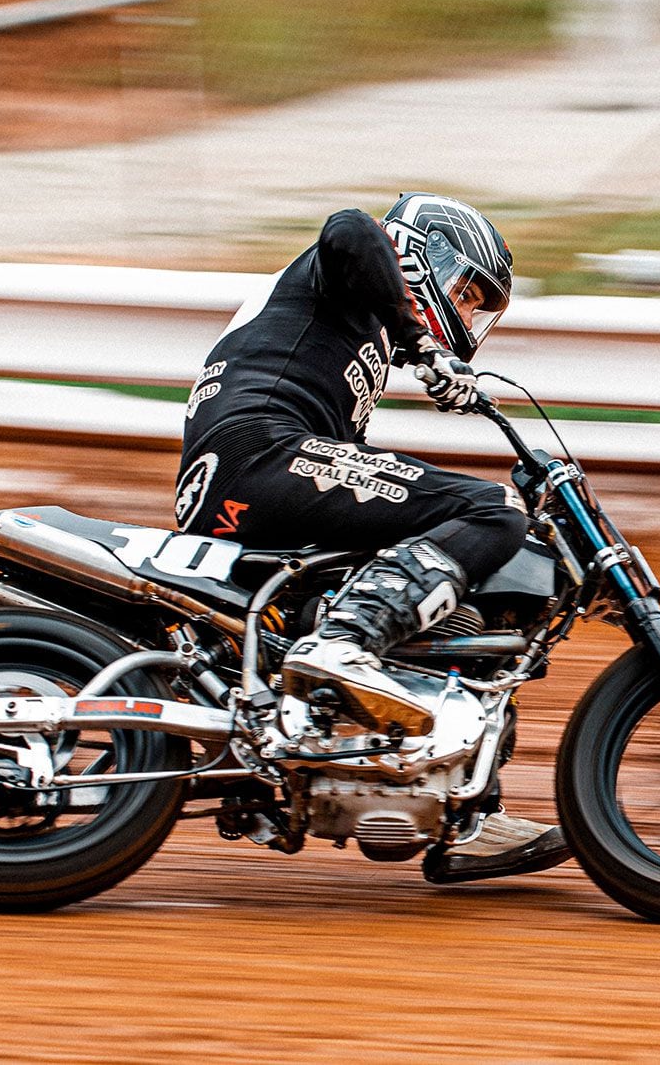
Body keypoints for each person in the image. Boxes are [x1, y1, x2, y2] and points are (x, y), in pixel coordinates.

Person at [174, 192, 567, 884]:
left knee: (454, 581)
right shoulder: (346, 267)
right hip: (259, 451)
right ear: (421, 257)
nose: (467, 316)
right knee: (492, 511)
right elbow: (350, 227)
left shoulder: (348, 327)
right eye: (466, 293)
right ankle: (342, 646)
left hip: (260, 464)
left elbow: (357, 474)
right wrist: (420, 345)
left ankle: (468, 814)